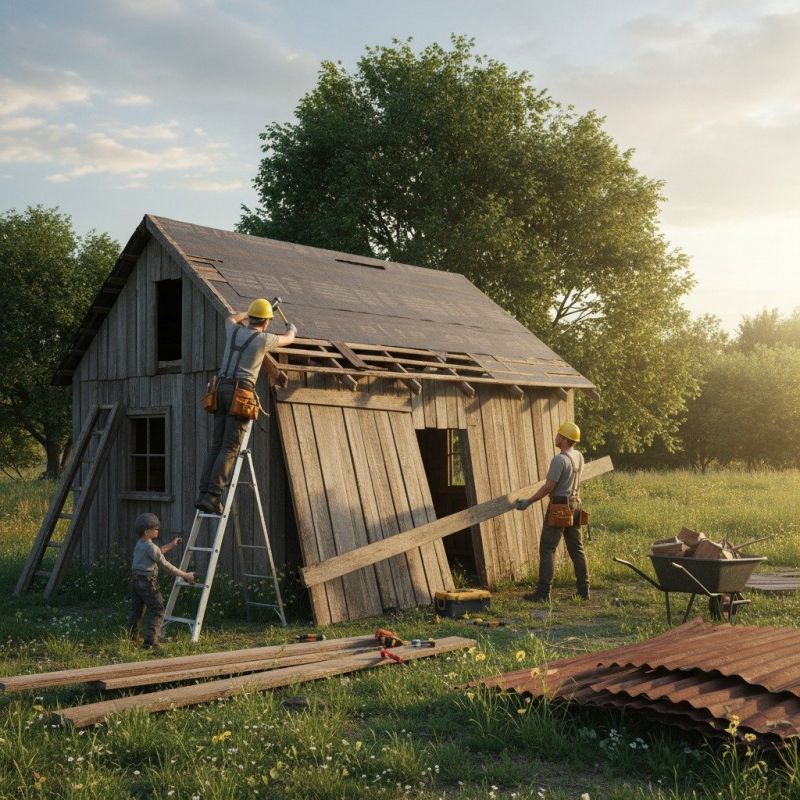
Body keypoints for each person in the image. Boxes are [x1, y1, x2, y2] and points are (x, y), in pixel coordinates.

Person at [195, 299, 297, 514]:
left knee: (216, 445)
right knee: (230, 447)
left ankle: (204, 492)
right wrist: (291, 328)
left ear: (250, 318)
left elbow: (231, 318)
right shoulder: (263, 339)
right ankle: (213, 496)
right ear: (267, 322)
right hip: (240, 393)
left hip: (219, 389)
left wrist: (248, 312)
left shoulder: (233, 331)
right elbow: (289, 338)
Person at [515, 420, 589, 602]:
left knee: (548, 548)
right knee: (577, 549)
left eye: (559, 435)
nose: (556, 437)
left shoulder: (559, 460)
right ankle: (584, 590)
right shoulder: (579, 456)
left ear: (564, 439)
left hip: (559, 507)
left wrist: (529, 501)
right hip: (575, 504)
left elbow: (549, 487)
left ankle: (543, 593)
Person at [128, 512, 195, 649]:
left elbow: (157, 552)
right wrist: (185, 575)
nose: (158, 530)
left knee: (137, 610)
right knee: (158, 609)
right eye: (155, 528)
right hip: (147, 582)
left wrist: (172, 544)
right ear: (147, 531)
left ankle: (132, 638)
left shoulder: (141, 544)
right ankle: (150, 642)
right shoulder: (150, 547)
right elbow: (166, 564)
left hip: (135, 581)